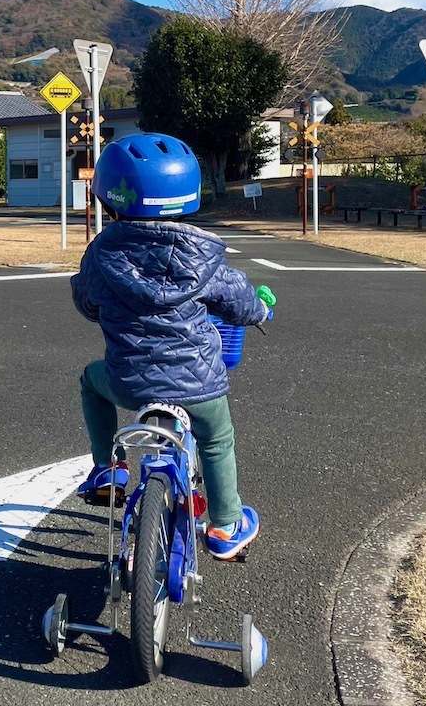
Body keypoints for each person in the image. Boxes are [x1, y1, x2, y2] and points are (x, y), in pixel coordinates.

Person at [70, 132, 274, 560]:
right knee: (217, 439)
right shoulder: (202, 255)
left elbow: (87, 303)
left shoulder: (101, 254)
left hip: (128, 382)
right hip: (198, 385)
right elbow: (238, 301)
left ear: (109, 197)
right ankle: (225, 525)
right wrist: (259, 313)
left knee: (91, 382)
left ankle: (108, 468)